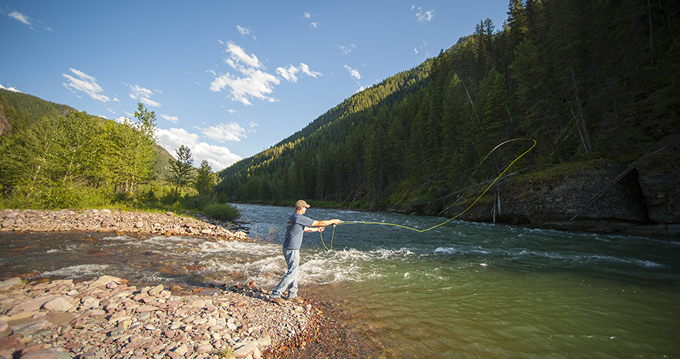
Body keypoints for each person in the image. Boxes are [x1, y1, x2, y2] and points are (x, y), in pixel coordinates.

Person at [269, 200, 342, 305]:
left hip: (288, 248)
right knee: (292, 272)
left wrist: (316, 230)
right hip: (292, 249)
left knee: (293, 271)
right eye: (305, 207)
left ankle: (292, 295)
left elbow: (304, 229)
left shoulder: (293, 218)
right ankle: (275, 294)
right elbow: (319, 222)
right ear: (300, 208)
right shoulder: (299, 218)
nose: (306, 209)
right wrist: (333, 221)